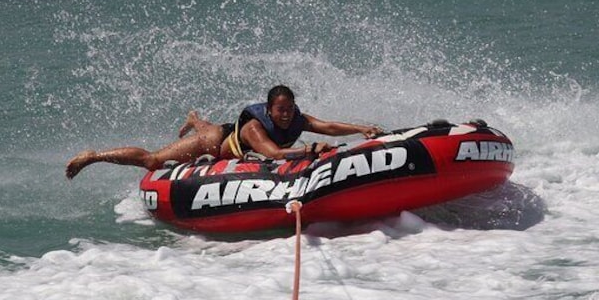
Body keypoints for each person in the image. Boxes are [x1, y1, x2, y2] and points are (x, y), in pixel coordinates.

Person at [66, 85, 382, 179]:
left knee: (214, 128)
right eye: (280, 110)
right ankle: (94, 156)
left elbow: (326, 125)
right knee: (153, 161)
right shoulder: (257, 127)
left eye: (290, 109)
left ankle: (194, 118)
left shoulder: (297, 117)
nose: (286, 116)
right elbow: (272, 154)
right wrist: (309, 150)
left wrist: (361, 129)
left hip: (228, 135)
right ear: (270, 109)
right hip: (215, 144)